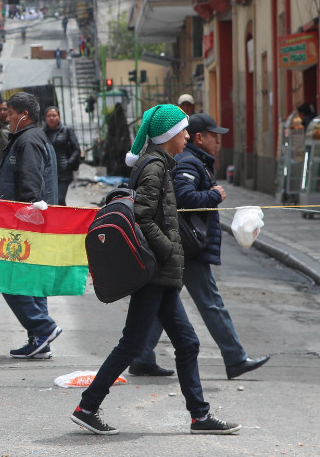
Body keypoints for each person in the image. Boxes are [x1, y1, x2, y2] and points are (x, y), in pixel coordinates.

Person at [71, 104, 240, 435]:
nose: (188, 136)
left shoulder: (161, 165)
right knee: (132, 345)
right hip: (154, 273)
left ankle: (200, 417)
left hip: (160, 274)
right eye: (183, 131)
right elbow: (145, 217)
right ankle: (87, 406)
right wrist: (166, 252)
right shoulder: (154, 168)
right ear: (169, 136)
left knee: (187, 343)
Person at [130, 113, 270, 379]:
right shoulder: (189, 162)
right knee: (210, 302)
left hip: (182, 244)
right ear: (199, 137)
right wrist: (214, 195)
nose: (218, 142)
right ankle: (235, 357)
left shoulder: (194, 160)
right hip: (188, 246)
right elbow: (182, 197)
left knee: (164, 301)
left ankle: (141, 356)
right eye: (214, 137)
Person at [0, 92, 61, 359]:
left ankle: (44, 327)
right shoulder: (30, 137)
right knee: (33, 282)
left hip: (24, 222)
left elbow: (31, 184)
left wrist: (25, 218)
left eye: (10, 113)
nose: (6, 118)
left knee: (7, 276)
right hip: (31, 220)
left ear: (24, 115)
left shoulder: (29, 140)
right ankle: (40, 340)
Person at [43, 107, 82, 206]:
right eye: (49, 116)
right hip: (48, 172)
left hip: (64, 172)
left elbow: (77, 149)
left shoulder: (66, 130)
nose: (51, 118)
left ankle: (64, 219)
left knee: (60, 199)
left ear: (59, 117)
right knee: (50, 200)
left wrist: (68, 163)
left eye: (54, 115)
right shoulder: (42, 132)